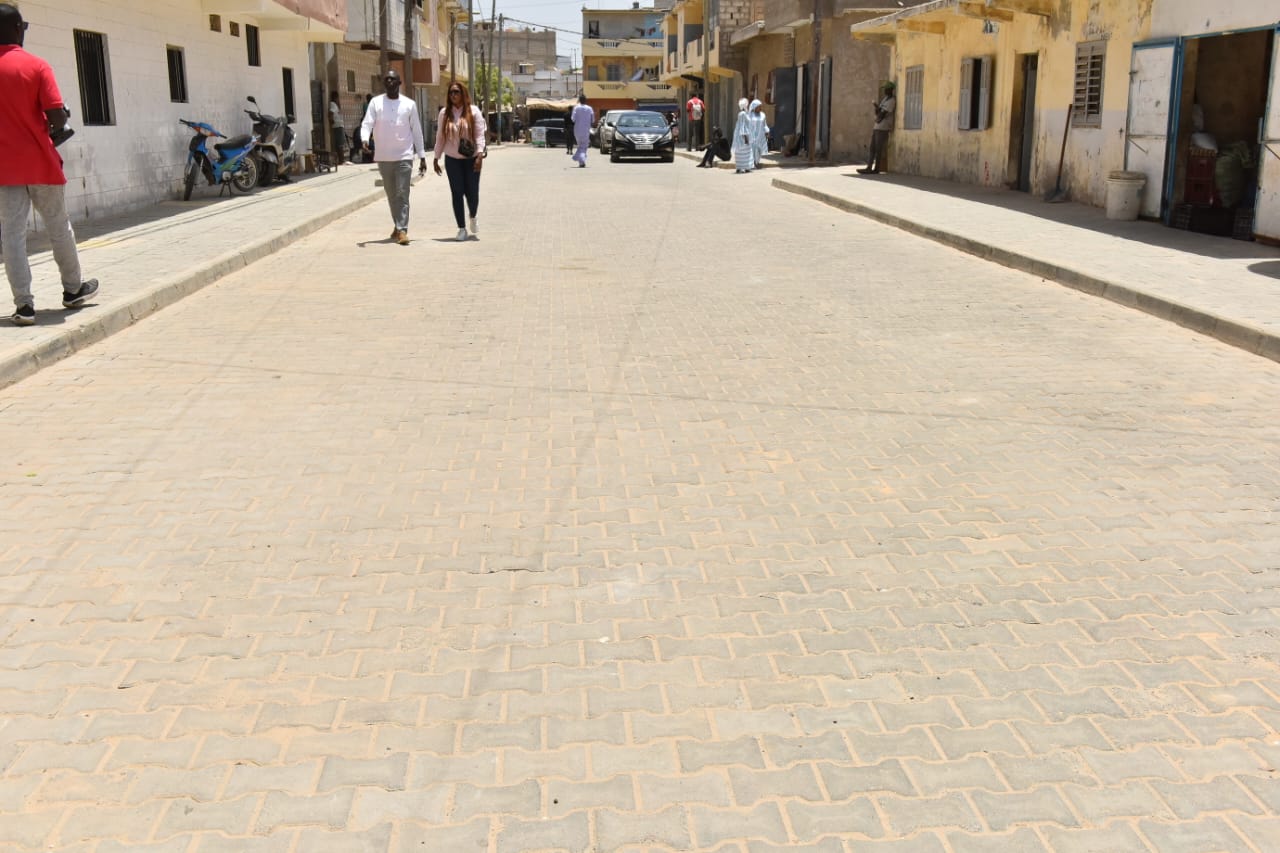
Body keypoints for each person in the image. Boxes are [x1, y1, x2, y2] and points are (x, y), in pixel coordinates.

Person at [0, 4, 98, 327]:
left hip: (5, 169)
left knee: (12, 236)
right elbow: (56, 116)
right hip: (41, 164)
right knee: (58, 227)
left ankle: (24, 306)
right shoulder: (37, 66)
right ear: (17, 29)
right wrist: (54, 120)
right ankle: (73, 290)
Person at [360, 70, 427, 245]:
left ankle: (403, 230)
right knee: (391, 195)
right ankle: (397, 226)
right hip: (383, 157)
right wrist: (364, 139)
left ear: (399, 83)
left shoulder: (409, 104)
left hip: (404, 156)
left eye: (393, 79)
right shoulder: (375, 103)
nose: (389, 82)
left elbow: (417, 131)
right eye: (386, 80)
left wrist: (422, 156)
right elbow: (367, 123)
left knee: (402, 193)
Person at [433, 81, 486, 242]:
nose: (453, 95)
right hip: (452, 160)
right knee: (457, 193)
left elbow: (479, 135)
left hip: (471, 159)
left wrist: (479, 156)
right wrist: (436, 158)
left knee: (472, 193)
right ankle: (461, 228)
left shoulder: (473, 111)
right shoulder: (444, 113)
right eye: (451, 93)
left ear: (463, 94)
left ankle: (473, 215)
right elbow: (440, 137)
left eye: (456, 92)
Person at [858, 81, 896, 175]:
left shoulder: (892, 101)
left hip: (883, 127)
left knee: (878, 149)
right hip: (877, 126)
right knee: (872, 148)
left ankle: (876, 168)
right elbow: (878, 112)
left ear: (891, 90)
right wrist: (877, 109)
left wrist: (877, 108)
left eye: (886, 89)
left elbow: (882, 114)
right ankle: (869, 167)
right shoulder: (885, 99)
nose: (885, 91)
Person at [570, 94, 593, 168]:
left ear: (579, 100)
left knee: (580, 146)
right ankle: (579, 158)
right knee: (584, 146)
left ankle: (581, 162)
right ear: (585, 100)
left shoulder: (576, 108)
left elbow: (573, 119)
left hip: (577, 130)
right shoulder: (589, 108)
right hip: (586, 130)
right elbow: (593, 120)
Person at [732, 98, 753, 174]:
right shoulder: (743, 114)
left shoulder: (742, 113)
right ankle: (744, 167)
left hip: (739, 136)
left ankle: (742, 167)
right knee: (744, 153)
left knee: (740, 153)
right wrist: (746, 138)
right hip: (743, 137)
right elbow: (742, 125)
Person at [748, 99, 769, 169]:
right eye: (759, 107)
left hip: (761, 135)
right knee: (753, 149)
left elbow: (764, 124)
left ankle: (756, 162)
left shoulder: (763, 115)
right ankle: (754, 163)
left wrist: (767, 132)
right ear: (754, 107)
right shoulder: (750, 115)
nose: (760, 108)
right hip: (752, 135)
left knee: (759, 150)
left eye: (761, 107)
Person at [328, 92, 347, 164]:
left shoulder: (335, 105)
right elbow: (330, 113)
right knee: (340, 144)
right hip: (338, 126)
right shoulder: (333, 104)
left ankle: (341, 160)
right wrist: (331, 120)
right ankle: (341, 160)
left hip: (338, 126)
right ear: (336, 98)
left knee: (339, 144)